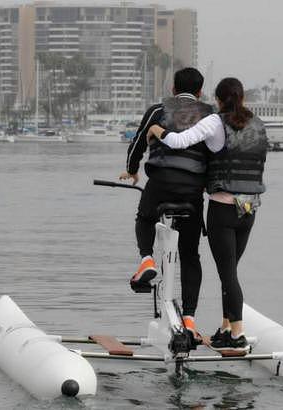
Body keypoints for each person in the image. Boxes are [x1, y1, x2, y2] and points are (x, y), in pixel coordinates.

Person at [147, 77, 268, 354]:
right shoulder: (257, 124)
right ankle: (226, 328)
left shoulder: (216, 121)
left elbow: (178, 141)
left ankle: (237, 334)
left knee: (228, 275)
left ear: (218, 99)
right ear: (243, 99)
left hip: (223, 209)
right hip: (249, 209)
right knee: (231, 273)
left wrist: (155, 128)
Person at [119, 68, 213, 341]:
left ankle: (147, 260)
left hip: (160, 182)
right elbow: (216, 153)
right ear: (199, 92)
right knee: (190, 253)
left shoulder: (157, 110)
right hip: (193, 190)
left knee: (145, 217)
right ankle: (190, 320)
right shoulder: (210, 114)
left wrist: (132, 169)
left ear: (173, 88)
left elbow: (137, 142)